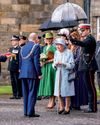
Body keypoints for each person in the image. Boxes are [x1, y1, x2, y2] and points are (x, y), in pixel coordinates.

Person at [70, 23, 98, 113]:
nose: (81, 32)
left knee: (91, 87)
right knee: (88, 86)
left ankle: (93, 107)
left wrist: (72, 39)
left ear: (88, 30)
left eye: (83, 30)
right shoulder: (86, 39)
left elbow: (82, 44)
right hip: (86, 66)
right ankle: (91, 106)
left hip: (89, 66)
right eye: (81, 31)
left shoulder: (90, 39)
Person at [19, 32, 42, 117]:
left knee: (25, 93)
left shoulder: (22, 48)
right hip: (32, 73)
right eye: (37, 38)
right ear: (35, 39)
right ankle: (30, 112)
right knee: (32, 92)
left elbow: (21, 62)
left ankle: (26, 111)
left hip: (23, 73)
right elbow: (36, 62)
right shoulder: (36, 46)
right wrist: (39, 73)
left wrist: (21, 71)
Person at [53, 38, 75, 115]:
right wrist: (55, 65)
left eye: (60, 45)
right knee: (58, 91)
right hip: (58, 73)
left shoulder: (69, 52)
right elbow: (54, 63)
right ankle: (61, 107)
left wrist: (64, 64)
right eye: (57, 45)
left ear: (63, 45)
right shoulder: (56, 52)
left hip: (66, 74)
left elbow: (72, 64)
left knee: (66, 91)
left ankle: (67, 107)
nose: (58, 47)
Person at [70, 29, 88, 110]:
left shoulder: (80, 47)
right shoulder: (71, 47)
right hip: (72, 69)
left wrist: (72, 62)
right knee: (72, 86)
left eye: (74, 37)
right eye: (72, 38)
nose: (73, 39)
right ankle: (71, 103)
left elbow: (79, 57)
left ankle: (77, 103)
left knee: (77, 86)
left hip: (78, 69)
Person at [38, 32, 56, 109]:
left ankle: (53, 100)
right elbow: (42, 57)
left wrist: (47, 61)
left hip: (51, 67)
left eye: (50, 39)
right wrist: (42, 62)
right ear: (45, 40)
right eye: (47, 39)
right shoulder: (44, 48)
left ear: (52, 39)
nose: (48, 40)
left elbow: (56, 58)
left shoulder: (54, 47)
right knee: (47, 84)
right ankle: (50, 100)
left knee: (51, 83)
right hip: (45, 67)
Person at [8, 35, 21, 99]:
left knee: (17, 81)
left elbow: (20, 59)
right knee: (13, 81)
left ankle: (18, 94)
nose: (12, 42)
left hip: (16, 67)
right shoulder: (11, 49)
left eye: (13, 40)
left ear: (17, 41)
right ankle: (14, 94)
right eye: (12, 41)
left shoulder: (20, 49)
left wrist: (19, 68)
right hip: (11, 66)